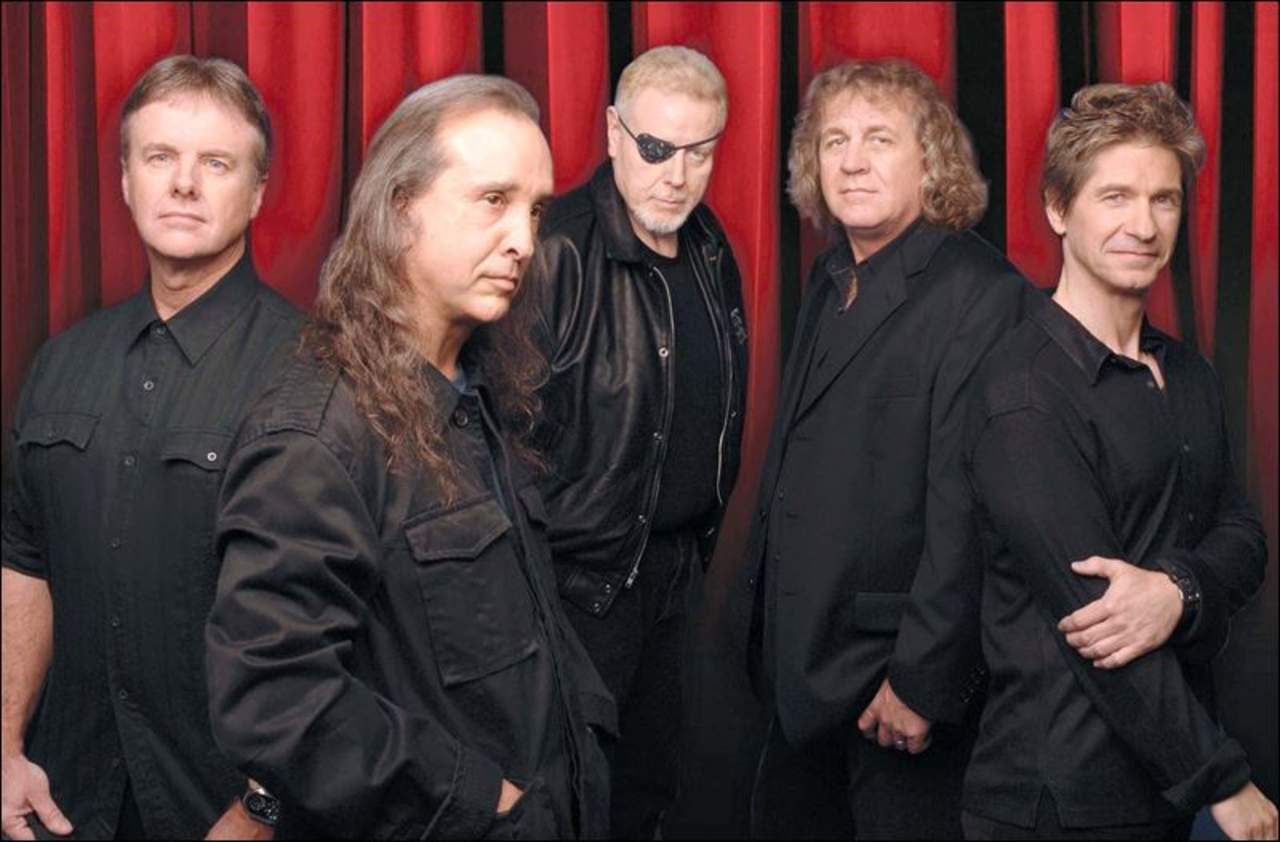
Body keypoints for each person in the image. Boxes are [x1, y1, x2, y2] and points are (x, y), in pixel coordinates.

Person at [204, 74, 615, 839]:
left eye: (534, 209)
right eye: (493, 200)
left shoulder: (476, 385)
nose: (525, 241)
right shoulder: (316, 434)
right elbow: (274, 699)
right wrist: (483, 800)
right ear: (400, 209)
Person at [961, 81, 1278, 841]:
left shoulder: (1189, 373)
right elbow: (1098, 626)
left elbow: (1244, 537)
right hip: (1058, 800)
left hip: (1164, 790)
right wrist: (1222, 780)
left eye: (1163, 200)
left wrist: (1177, 590)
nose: (1143, 225)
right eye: (1115, 197)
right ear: (1057, 208)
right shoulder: (1024, 392)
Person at [1, 55, 300, 840]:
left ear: (257, 192)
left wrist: (264, 807)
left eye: (216, 163)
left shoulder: (313, 372)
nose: (185, 184)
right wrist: (3, 747)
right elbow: (23, 559)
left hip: (223, 810)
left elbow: (346, 616)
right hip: (64, 802)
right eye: (160, 157)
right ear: (127, 181)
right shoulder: (60, 363)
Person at [744, 58, 1035, 839]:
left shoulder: (983, 294)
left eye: (879, 138)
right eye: (834, 140)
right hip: (802, 672)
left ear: (930, 160)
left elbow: (973, 513)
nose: (852, 161)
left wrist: (923, 682)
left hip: (892, 686)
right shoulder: (832, 274)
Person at [531, 45, 748, 838]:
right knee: (569, 799)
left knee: (649, 790)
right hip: (577, 589)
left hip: (675, 574)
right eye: (656, 148)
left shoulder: (709, 245)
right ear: (614, 134)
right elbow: (500, 444)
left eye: (700, 152)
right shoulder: (558, 250)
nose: (677, 176)